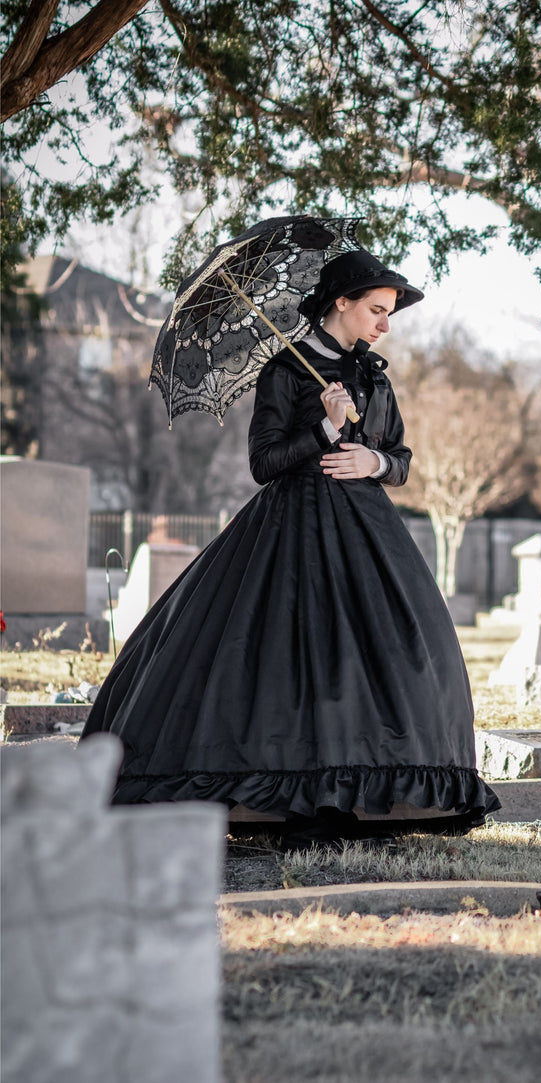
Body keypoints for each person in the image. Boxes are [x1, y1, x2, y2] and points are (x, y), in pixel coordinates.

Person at [83, 250, 500, 839]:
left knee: (397, 648)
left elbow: (400, 459)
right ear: (342, 303)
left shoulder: (373, 374)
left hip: (368, 531)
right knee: (284, 650)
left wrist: (372, 458)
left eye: (391, 313)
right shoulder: (285, 370)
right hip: (292, 529)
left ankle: (367, 788)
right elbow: (264, 463)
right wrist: (325, 429)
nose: (386, 323)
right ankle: (284, 792)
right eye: (377, 310)